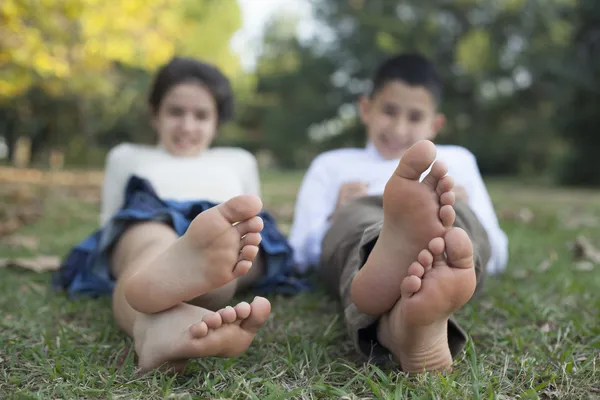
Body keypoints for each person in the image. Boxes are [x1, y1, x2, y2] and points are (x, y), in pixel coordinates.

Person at [53, 56, 306, 372]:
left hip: (223, 223)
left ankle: (160, 325)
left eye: (201, 116)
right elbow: (111, 223)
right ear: (155, 115)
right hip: (152, 215)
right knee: (148, 248)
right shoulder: (127, 156)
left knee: (237, 250)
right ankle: (176, 275)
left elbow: (255, 214)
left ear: (216, 122)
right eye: (176, 112)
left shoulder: (237, 159)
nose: (187, 126)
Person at [288, 53, 509, 373]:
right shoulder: (332, 164)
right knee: (358, 227)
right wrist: (334, 214)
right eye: (389, 111)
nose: (399, 127)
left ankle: (398, 327)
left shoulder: (457, 160)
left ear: (436, 124)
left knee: (455, 227)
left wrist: (468, 206)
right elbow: (299, 253)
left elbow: (497, 250)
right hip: (364, 211)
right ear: (366, 108)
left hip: (442, 220)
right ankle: (393, 266)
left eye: (414, 117)